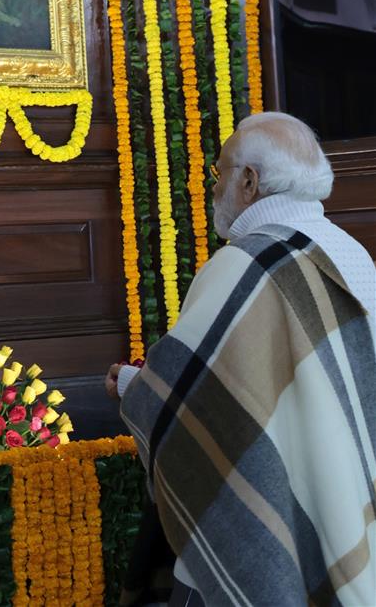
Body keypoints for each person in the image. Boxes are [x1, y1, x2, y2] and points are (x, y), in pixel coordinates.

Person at [107, 112, 376, 606]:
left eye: (219, 172)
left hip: (280, 509)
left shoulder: (244, 263)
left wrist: (130, 385)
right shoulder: (350, 251)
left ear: (249, 181)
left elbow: (200, 404)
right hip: (354, 500)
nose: (214, 186)